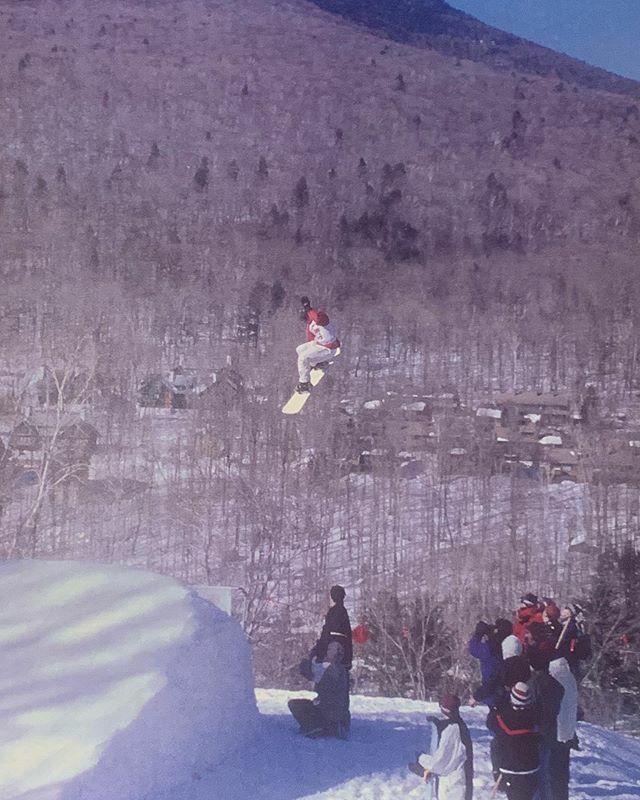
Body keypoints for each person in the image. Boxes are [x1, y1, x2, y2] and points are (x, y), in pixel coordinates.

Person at [408, 693, 473, 800]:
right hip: (454, 785)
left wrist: (421, 758)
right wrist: (440, 727)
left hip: (455, 788)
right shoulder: (458, 726)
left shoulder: (453, 730)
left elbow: (439, 763)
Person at [488, 682, 540, 800]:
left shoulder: (503, 716)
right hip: (532, 769)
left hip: (510, 770)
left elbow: (491, 724)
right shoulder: (534, 716)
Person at [288, 641, 350, 738]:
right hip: (340, 716)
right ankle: (331, 726)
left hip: (328, 714)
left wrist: (309, 659)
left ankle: (316, 726)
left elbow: (311, 675)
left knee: (295, 704)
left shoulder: (328, 668)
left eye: (329, 650)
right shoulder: (342, 670)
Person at [528, 649, 564, 800]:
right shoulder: (557, 685)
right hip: (551, 729)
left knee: (536, 772)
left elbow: (531, 706)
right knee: (546, 771)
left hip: (536, 731)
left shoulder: (533, 684)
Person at [547, 656, 578, 800]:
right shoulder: (571, 679)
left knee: (553, 772)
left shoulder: (555, 683)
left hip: (556, 732)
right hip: (568, 733)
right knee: (562, 772)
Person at [295, 296, 340, 393]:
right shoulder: (310, 325)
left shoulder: (321, 318)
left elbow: (318, 317)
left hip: (329, 348)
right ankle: (318, 362)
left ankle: (305, 384)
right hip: (320, 346)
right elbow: (310, 340)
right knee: (300, 349)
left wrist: (308, 308)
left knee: (303, 358)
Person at [309, 584, 353, 670]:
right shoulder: (342, 611)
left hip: (334, 650)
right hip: (342, 652)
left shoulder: (335, 611)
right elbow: (348, 635)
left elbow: (328, 632)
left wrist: (319, 651)